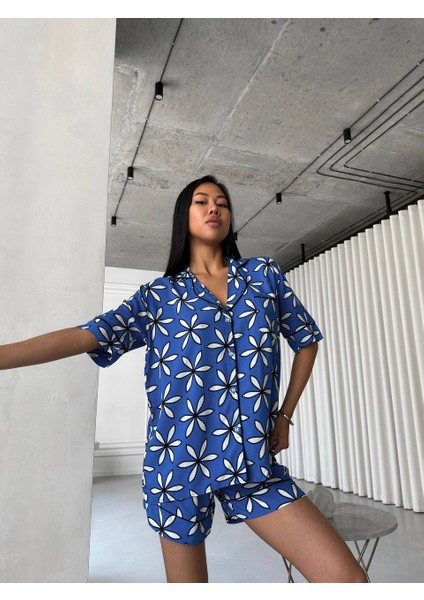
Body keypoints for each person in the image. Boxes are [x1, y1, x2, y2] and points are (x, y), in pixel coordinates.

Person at [0, 175, 367, 583]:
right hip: (177, 465)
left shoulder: (263, 276)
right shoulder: (158, 297)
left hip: (253, 462)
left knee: (346, 579)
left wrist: (284, 416)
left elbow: (306, 340)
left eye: (222, 203)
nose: (214, 208)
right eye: (202, 201)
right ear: (183, 217)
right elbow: (86, 335)